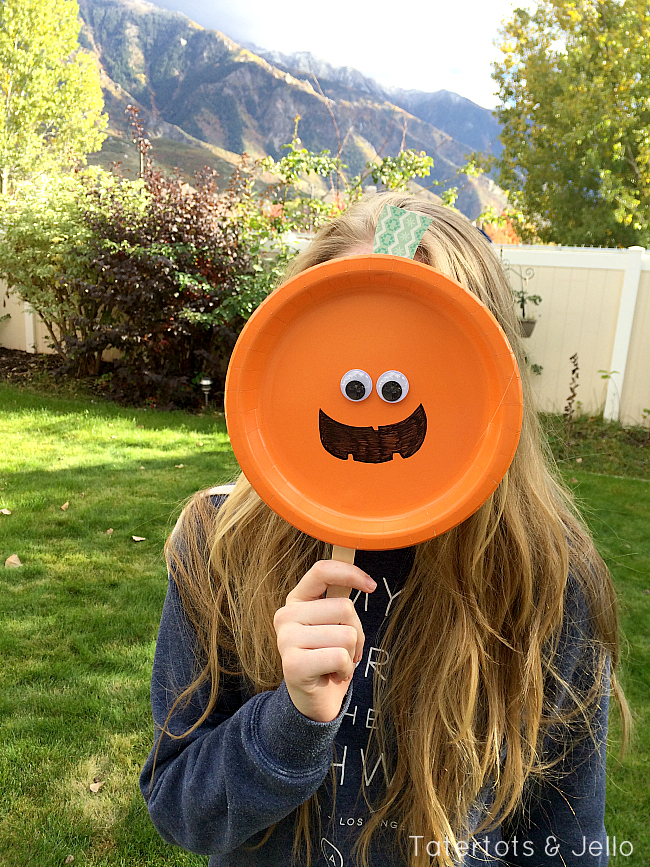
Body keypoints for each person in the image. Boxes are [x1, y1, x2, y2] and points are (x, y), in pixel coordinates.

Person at [140, 193, 629, 867]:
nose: (372, 396)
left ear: (490, 382)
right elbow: (181, 810)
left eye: (416, 365)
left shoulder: (545, 577)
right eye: (346, 359)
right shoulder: (217, 544)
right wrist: (292, 720)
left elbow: (564, 841)